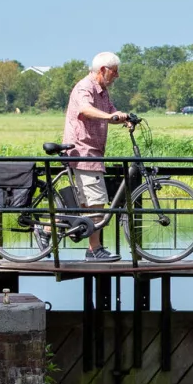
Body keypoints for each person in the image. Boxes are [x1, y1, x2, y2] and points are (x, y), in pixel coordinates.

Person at [62, 52, 133, 263]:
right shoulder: (85, 87)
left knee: (84, 205)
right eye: (115, 71)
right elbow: (85, 109)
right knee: (97, 203)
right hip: (83, 151)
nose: (117, 76)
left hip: (94, 153)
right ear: (103, 70)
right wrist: (110, 116)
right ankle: (94, 250)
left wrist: (124, 117)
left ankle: (46, 229)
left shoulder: (103, 92)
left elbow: (111, 111)